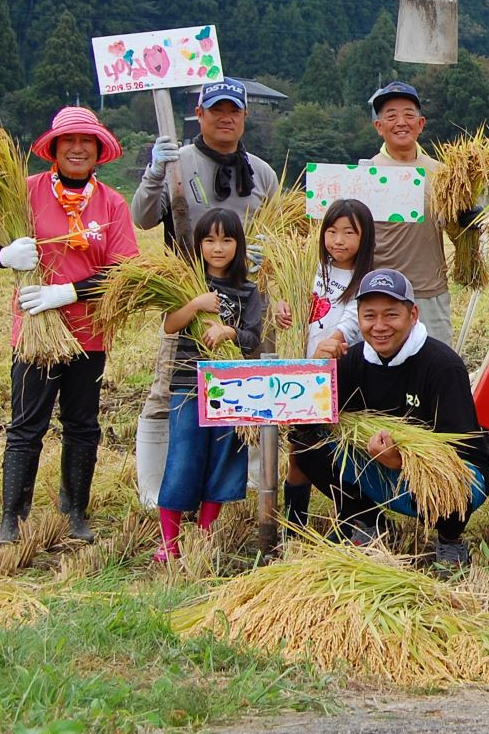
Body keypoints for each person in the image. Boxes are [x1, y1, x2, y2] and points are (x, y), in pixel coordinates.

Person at [0, 107, 140, 546]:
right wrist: (4, 255)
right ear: (53, 148)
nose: (77, 148)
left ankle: (75, 510)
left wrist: (68, 292)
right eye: (69, 141)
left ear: (98, 151)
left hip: (88, 332)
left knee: (81, 424)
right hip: (34, 330)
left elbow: (122, 272)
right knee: (26, 425)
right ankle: (11, 519)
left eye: (86, 142)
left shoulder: (112, 203)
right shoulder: (26, 192)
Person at [130, 77, 279, 508]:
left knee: (248, 391)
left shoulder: (263, 174)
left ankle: (246, 482)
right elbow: (142, 218)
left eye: (234, 110)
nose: (225, 117)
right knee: (168, 394)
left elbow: (284, 235)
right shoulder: (180, 163)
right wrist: (155, 170)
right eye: (216, 110)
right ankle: (155, 488)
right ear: (200, 115)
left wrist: (269, 270)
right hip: (190, 303)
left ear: (245, 117)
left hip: (248, 304)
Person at [288, 269, 489, 568]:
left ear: (413, 314)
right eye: (369, 316)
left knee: (456, 488)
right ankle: (366, 523)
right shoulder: (352, 361)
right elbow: (309, 418)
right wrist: (320, 369)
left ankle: (450, 540)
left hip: (437, 472)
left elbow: (463, 453)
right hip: (374, 465)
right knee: (305, 441)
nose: (380, 326)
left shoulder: (442, 366)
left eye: (391, 315)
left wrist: (401, 461)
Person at [154, 208, 265, 562]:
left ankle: (204, 536)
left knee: (223, 460)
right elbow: (171, 325)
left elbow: (253, 337)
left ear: (239, 244)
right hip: (188, 384)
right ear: (199, 244)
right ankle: (169, 543)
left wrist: (229, 330)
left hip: (231, 388)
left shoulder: (248, 290)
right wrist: (196, 304)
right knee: (183, 459)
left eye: (227, 240)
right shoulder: (188, 283)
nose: (218, 248)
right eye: (210, 240)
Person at [271, 197, 376, 529]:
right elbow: (288, 303)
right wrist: (282, 309)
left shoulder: (366, 280)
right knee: (298, 452)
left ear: (365, 238)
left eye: (349, 232)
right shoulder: (309, 270)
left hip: (342, 374)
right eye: (332, 231)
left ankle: (353, 517)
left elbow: (351, 323)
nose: (339, 241)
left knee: (344, 448)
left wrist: (334, 343)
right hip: (304, 372)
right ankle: (295, 522)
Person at [359, 82, 465, 349]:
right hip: (380, 294)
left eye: (408, 115)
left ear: (421, 124)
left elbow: (457, 232)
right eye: (391, 116)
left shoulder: (441, 173)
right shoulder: (365, 175)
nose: (400, 122)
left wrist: (466, 216)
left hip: (429, 293)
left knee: (434, 372)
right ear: (379, 127)